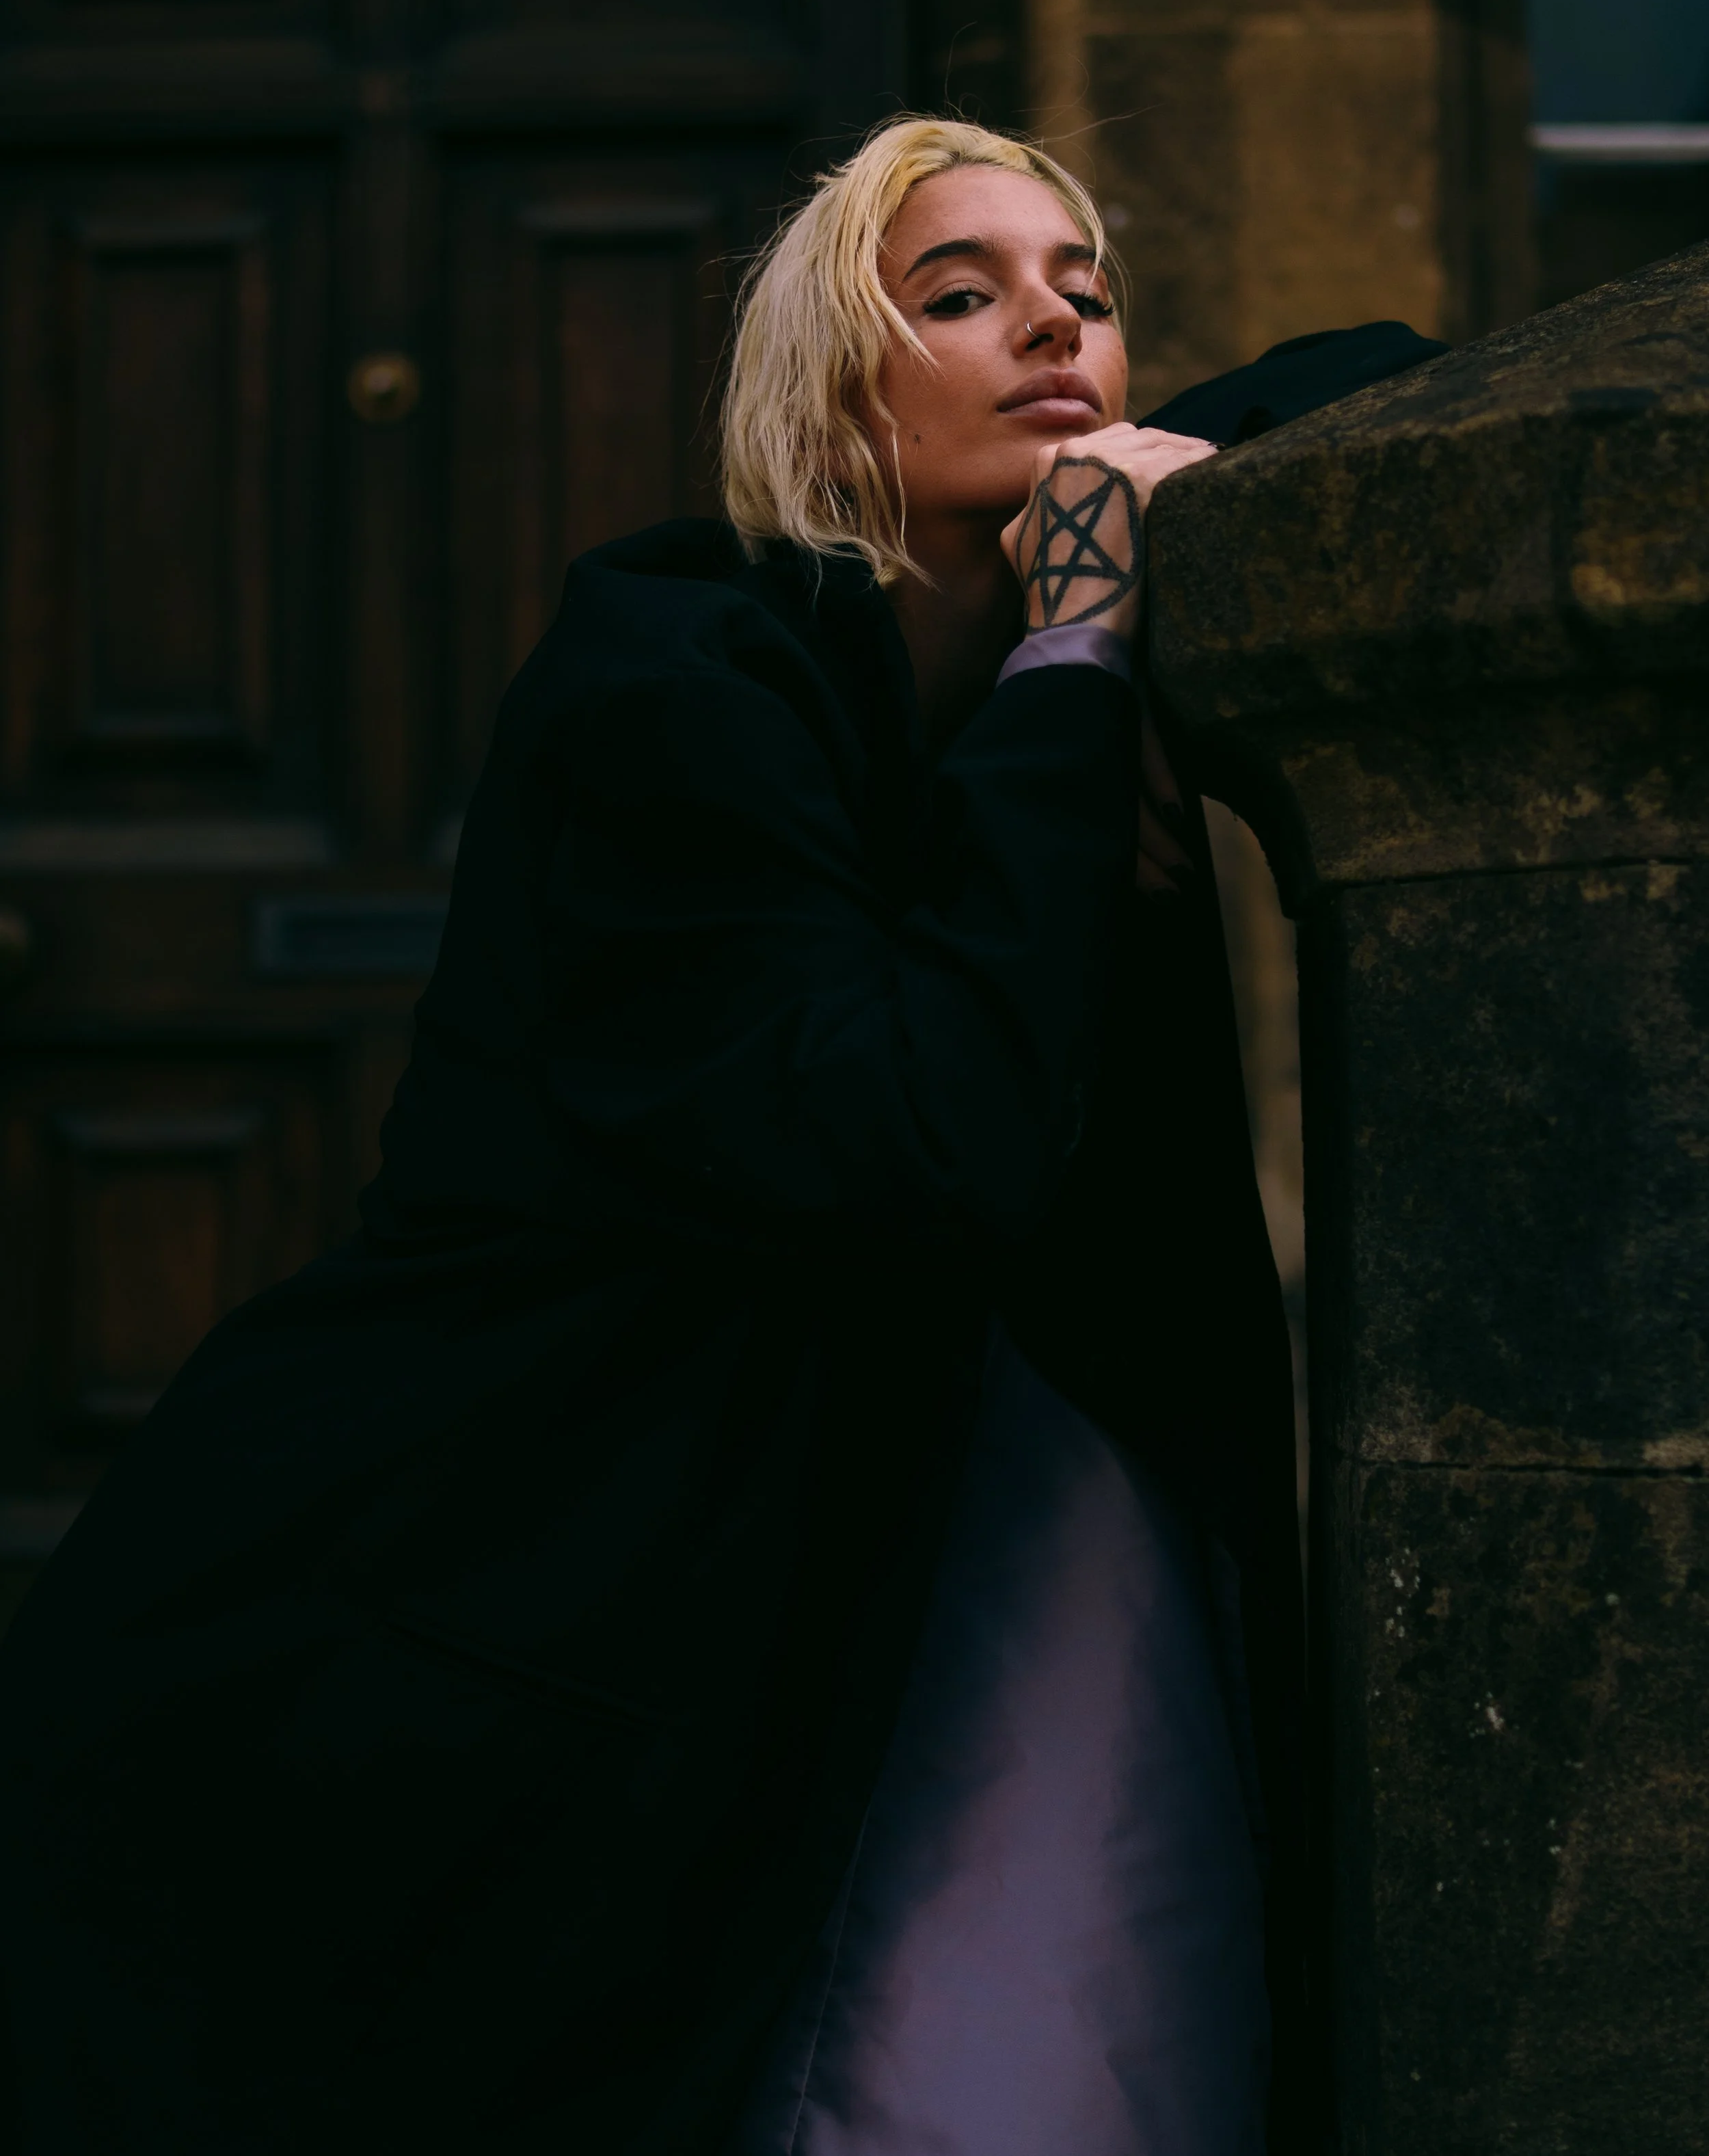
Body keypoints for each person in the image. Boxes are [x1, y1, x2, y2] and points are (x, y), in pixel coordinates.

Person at [0, 117, 1443, 2155]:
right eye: (955, 295)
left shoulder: (1072, 617)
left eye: (1086, 292)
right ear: (827, 398)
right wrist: (1069, 652)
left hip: (947, 1497)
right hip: (508, 1587)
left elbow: (1389, 364)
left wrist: (1157, 525)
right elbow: (918, 1140)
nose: (1052, 322)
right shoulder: (673, 671)